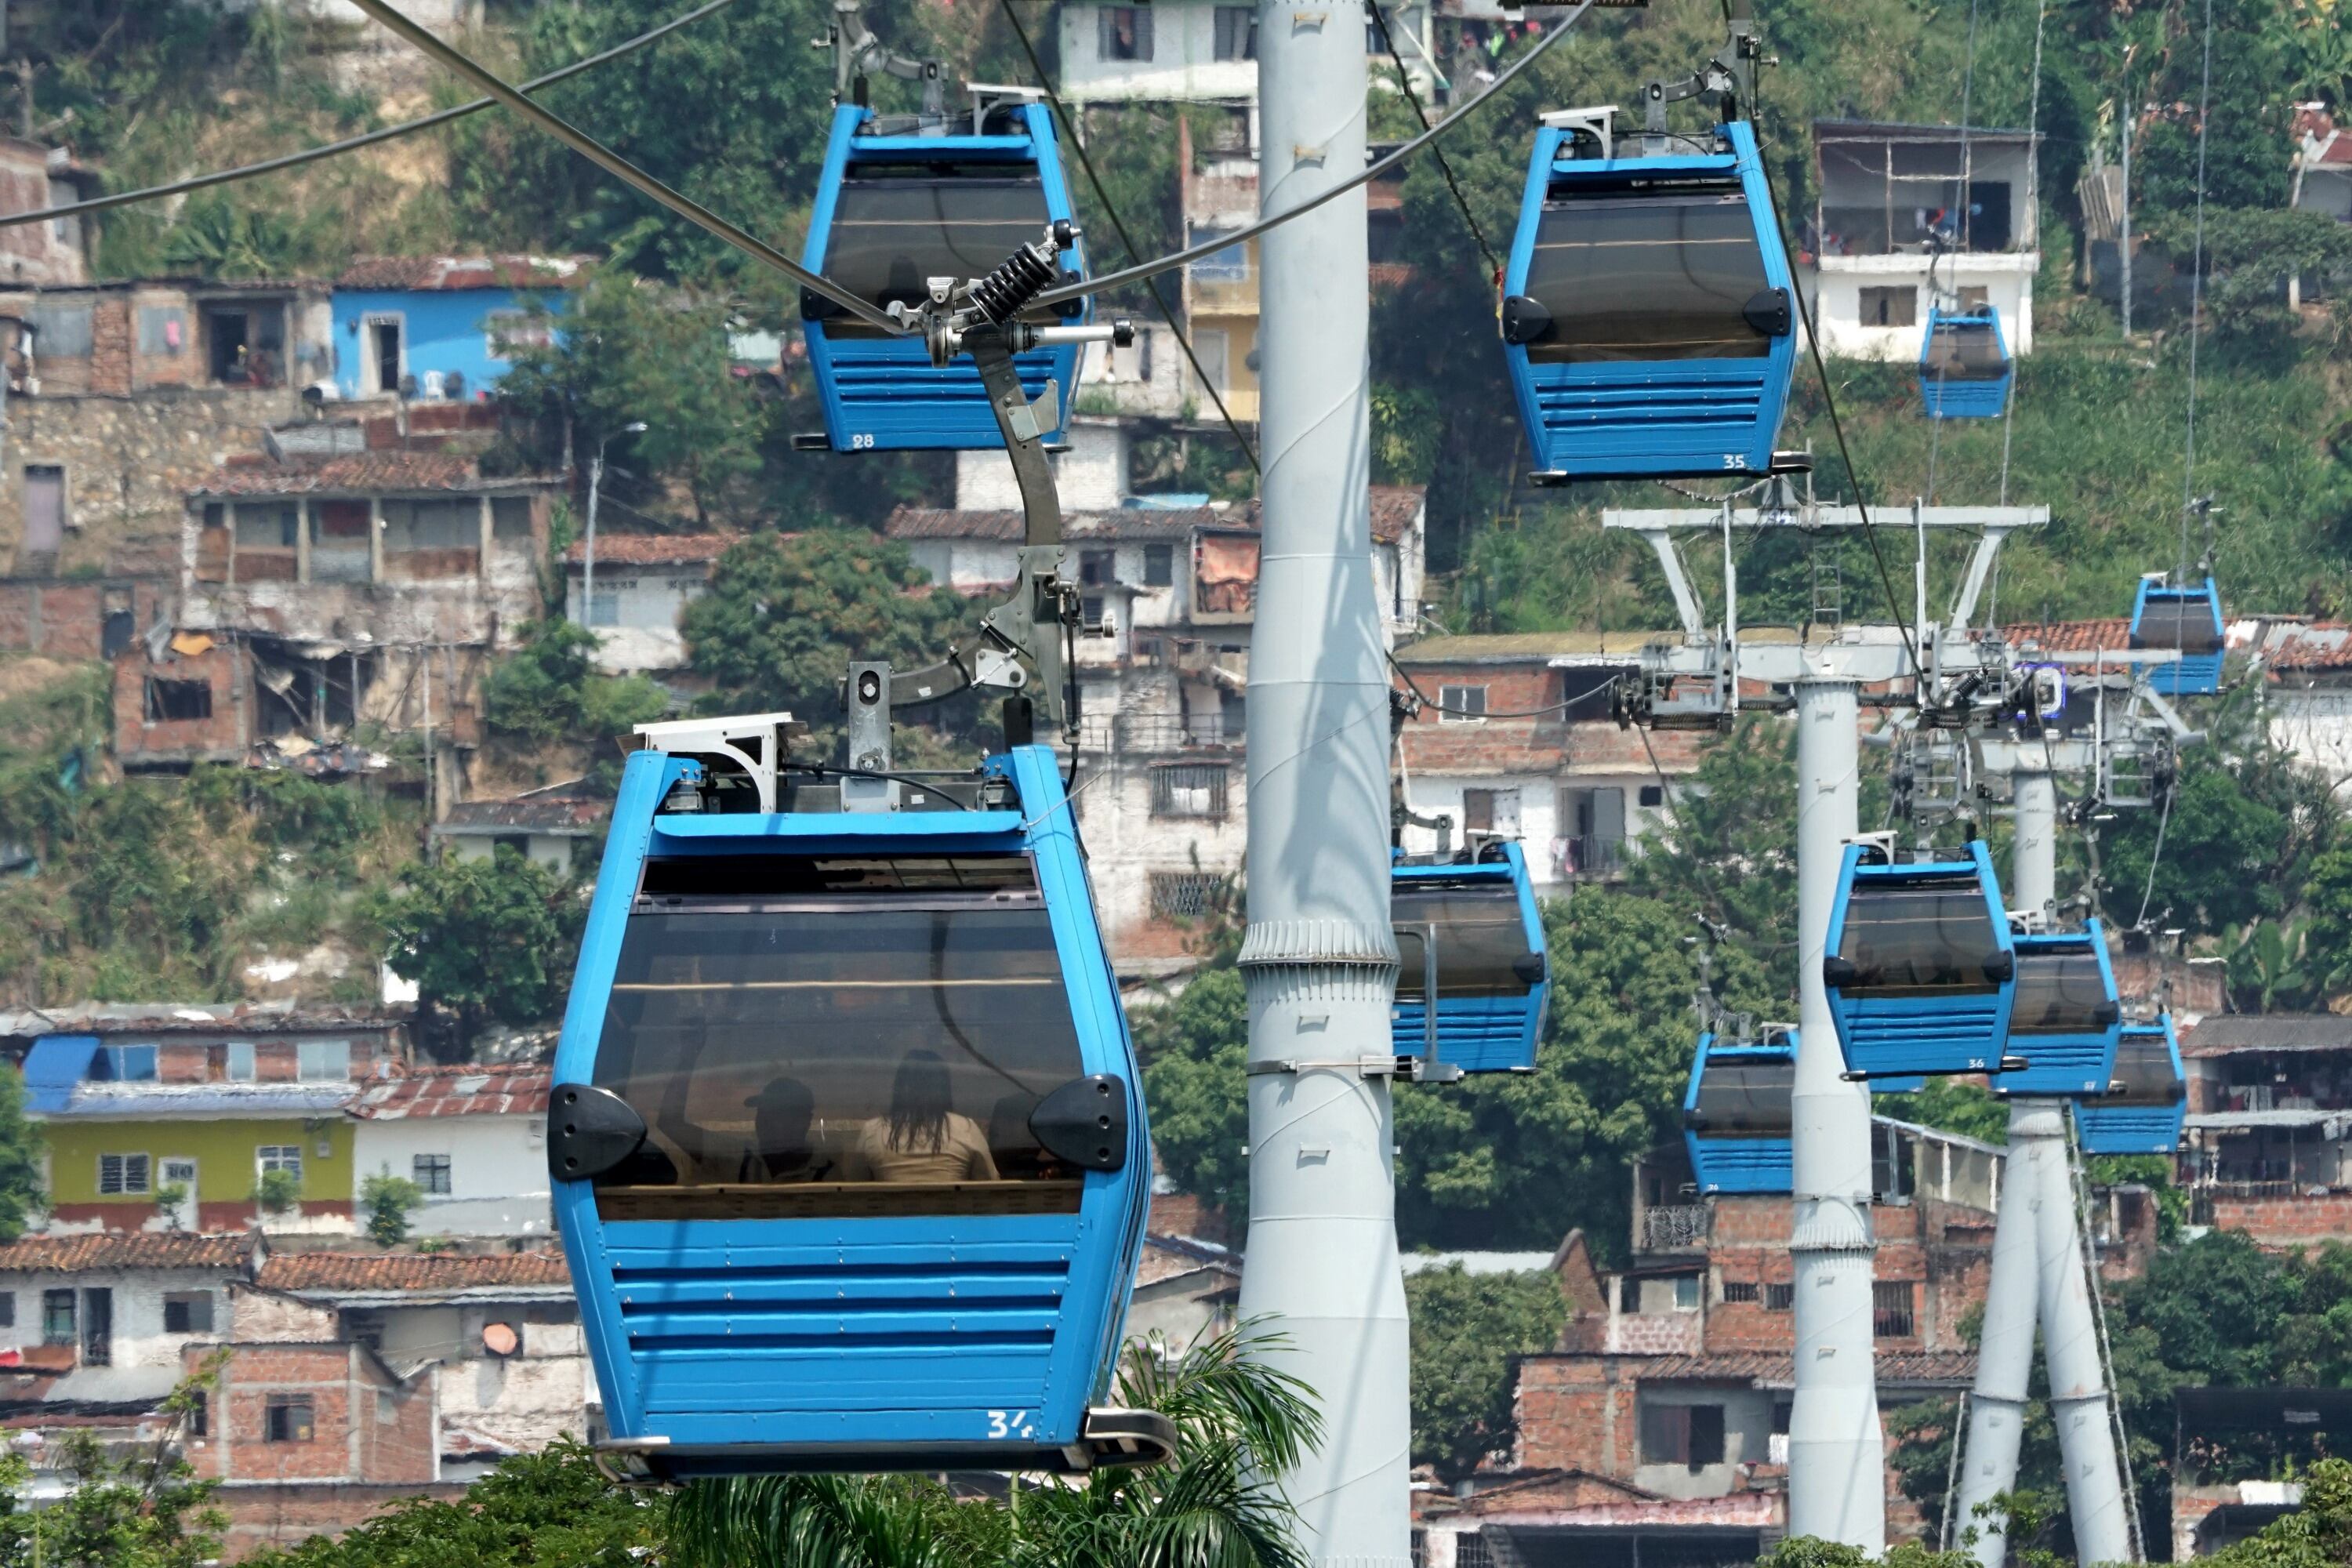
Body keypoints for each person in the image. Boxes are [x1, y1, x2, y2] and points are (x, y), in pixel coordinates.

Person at [857, 1050, 998, 1183]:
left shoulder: (872, 1130)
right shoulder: (966, 1129)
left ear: (900, 1088)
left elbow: (853, 1186)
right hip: (952, 1209)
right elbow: (991, 1185)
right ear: (943, 1089)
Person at [740, 1076, 829, 1183]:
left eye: (774, 1113)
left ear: (802, 1122)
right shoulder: (739, 1161)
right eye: (761, 1112)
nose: (764, 1120)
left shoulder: (827, 1173)